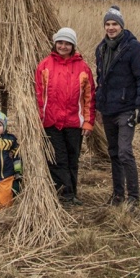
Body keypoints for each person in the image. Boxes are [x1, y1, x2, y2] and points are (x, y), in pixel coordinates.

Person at [95, 5, 140, 210]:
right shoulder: (101, 49)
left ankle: (134, 198)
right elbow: (100, 80)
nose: (111, 28)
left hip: (126, 108)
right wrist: (98, 107)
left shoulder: (133, 47)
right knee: (114, 153)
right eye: (108, 24)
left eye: (115, 24)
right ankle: (118, 194)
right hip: (108, 109)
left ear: (121, 26)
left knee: (125, 151)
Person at [35, 27, 95, 206]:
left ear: (73, 45)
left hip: (74, 123)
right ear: (55, 44)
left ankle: (72, 193)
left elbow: (89, 97)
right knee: (57, 160)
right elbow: (39, 95)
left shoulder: (83, 68)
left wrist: (88, 123)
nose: (63, 46)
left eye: (67, 43)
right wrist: (39, 119)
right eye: (60, 42)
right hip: (51, 122)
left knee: (72, 159)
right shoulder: (45, 65)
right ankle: (64, 196)